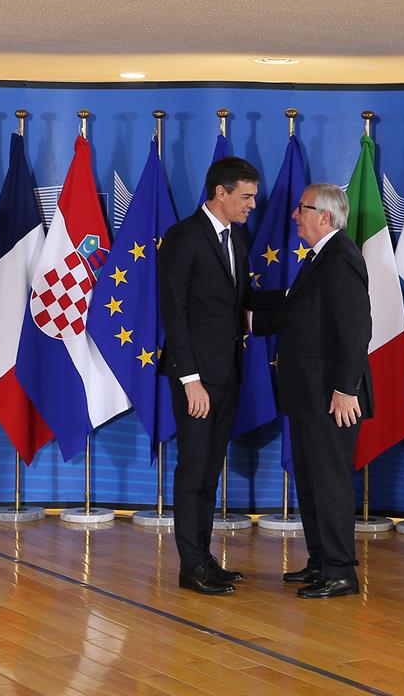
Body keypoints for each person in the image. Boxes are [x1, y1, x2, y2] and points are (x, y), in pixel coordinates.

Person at [251, 183, 373, 599]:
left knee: (329, 481)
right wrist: (236, 309)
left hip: (332, 396)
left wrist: (345, 388)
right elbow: (295, 313)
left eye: (300, 209)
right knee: (309, 480)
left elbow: (356, 330)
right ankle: (321, 560)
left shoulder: (340, 258)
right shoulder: (321, 258)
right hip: (308, 393)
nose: (293, 216)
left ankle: (341, 571)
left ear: (325, 216)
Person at [158, 156, 260, 595]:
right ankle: (190, 566)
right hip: (196, 381)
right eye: (246, 196)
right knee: (194, 470)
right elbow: (175, 314)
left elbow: (237, 305)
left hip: (227, 374)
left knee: (210, 472)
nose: (252, 205)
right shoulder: (183, 237)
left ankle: (205, 559)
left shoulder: (237, 236)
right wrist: (190, 380)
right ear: (221, 193)